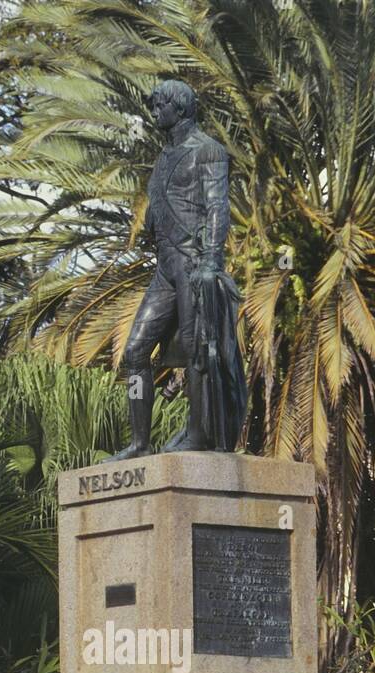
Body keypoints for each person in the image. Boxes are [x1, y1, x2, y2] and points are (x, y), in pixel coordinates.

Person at [104, 77, 247, 463]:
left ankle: (199, 435)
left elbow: (218, 208)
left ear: (179, 108)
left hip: (193, 264)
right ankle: (139, 443)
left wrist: (211, 262)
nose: (154, 113)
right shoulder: (165, 156)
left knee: (197, 350)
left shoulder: (209, 151)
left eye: (159, 106)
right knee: (135, 351)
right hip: (166, 268)